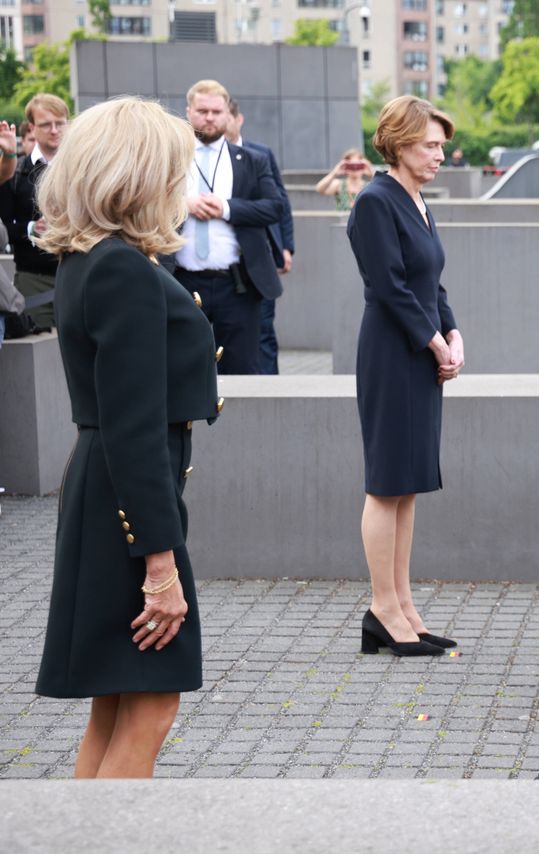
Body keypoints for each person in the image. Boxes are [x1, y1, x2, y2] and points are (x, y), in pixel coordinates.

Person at [32, 97, 222, 778]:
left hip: (105, 497)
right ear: (139, 175)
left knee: (114, 707)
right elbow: (136, 432)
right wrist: (161, 568)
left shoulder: (89, 259)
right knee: (149, 707)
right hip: (128, 505)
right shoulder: (122, 271)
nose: (184, 182)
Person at [347, 96, 462, 657]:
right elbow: (389, 287)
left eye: (442, 144)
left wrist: (453, 331)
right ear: (398, 143)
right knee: (385, 483)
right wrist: (435, 340)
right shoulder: (375, 201)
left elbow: (430, 283)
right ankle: (382, 608)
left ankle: (404, 605)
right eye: (430, 145)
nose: (440, 154)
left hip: (419, 352)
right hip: (393, 355)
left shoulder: (417, 202)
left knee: (408, 485)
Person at [170, 80, 284, 376]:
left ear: (228, 114)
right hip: (179, 282)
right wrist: (183, 204)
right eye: (202, 110)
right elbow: (145, 202)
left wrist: (226, 208)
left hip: (237, 285)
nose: (209, 117)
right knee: (180, 369)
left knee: (242, 371)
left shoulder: (252, 160)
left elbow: (275, 207)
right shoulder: (170, 158)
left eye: (216, 111)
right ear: (188, 112)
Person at [224, 98, 295, 375]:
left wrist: (286, 247)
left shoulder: (259, 154)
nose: (217, 121)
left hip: (258, 258)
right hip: (221, 262)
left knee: (264, 332)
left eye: (223, 114)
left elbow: (280, 203)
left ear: (237, 119)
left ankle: (271, 389)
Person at [0, 94, 69, 331]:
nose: (54, 130)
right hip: (33, 278)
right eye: (45, 124)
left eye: (60, 123)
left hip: (77, 271)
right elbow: (4, 228)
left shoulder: (82, 168)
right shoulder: (16, 173)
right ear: (31, 127)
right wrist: (32, 228)